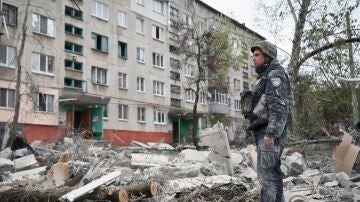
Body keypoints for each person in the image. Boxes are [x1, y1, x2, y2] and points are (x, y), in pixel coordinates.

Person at [245, 40, 291, 202]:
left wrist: (271, 133)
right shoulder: (267, 75)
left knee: (267, 178)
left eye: (257, 55)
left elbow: (278, 106)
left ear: (268, 56)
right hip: (265, 132)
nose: (253, 58)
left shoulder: (274, 75)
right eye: (253, 55)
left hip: (268, 134)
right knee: (273, 175)